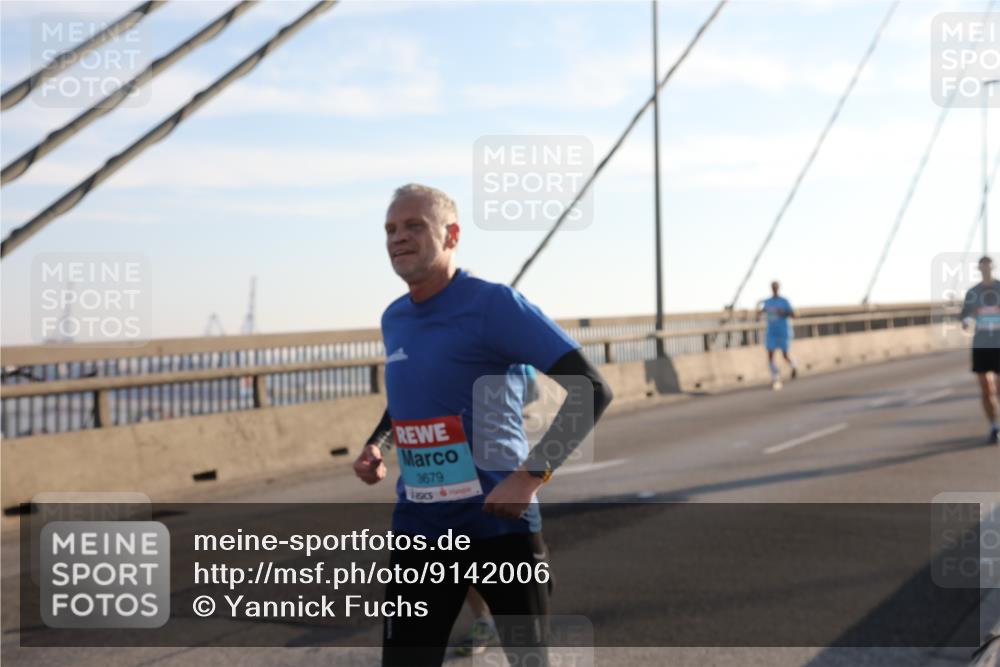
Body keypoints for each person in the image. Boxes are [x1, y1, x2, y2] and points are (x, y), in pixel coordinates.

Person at [353, 183, 613, 667]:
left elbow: (591, 387)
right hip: (421, 528)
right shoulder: (395, 317)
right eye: (390, 228)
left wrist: (532, 475)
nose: (397, 238)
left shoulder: (494, 306)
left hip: (500, 528)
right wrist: (377, 445)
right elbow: (409, 398)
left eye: (414, 226)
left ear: (451, 235)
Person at [960, 256, 1000, 444]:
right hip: (982, 343)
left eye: (988, 265)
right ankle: (994, 426)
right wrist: (966, 321)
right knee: (986, 388)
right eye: (982, 266)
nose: (985, 268)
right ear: (979, 268)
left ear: (992, 267)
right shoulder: (973, 292)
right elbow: (965, 314)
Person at [758, 281, 798, 390]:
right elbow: (761, 312)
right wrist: (759, 310)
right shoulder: (768, 301)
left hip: (783, 331)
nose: (774, 289)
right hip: (772, 332)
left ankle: (794, 366)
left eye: (776, 287)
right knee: (770, 354)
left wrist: (784, 312)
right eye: (773, 287)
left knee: (785, 355)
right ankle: (775, 377)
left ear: (779, 288)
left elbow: (794, 315)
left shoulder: (784, 301)